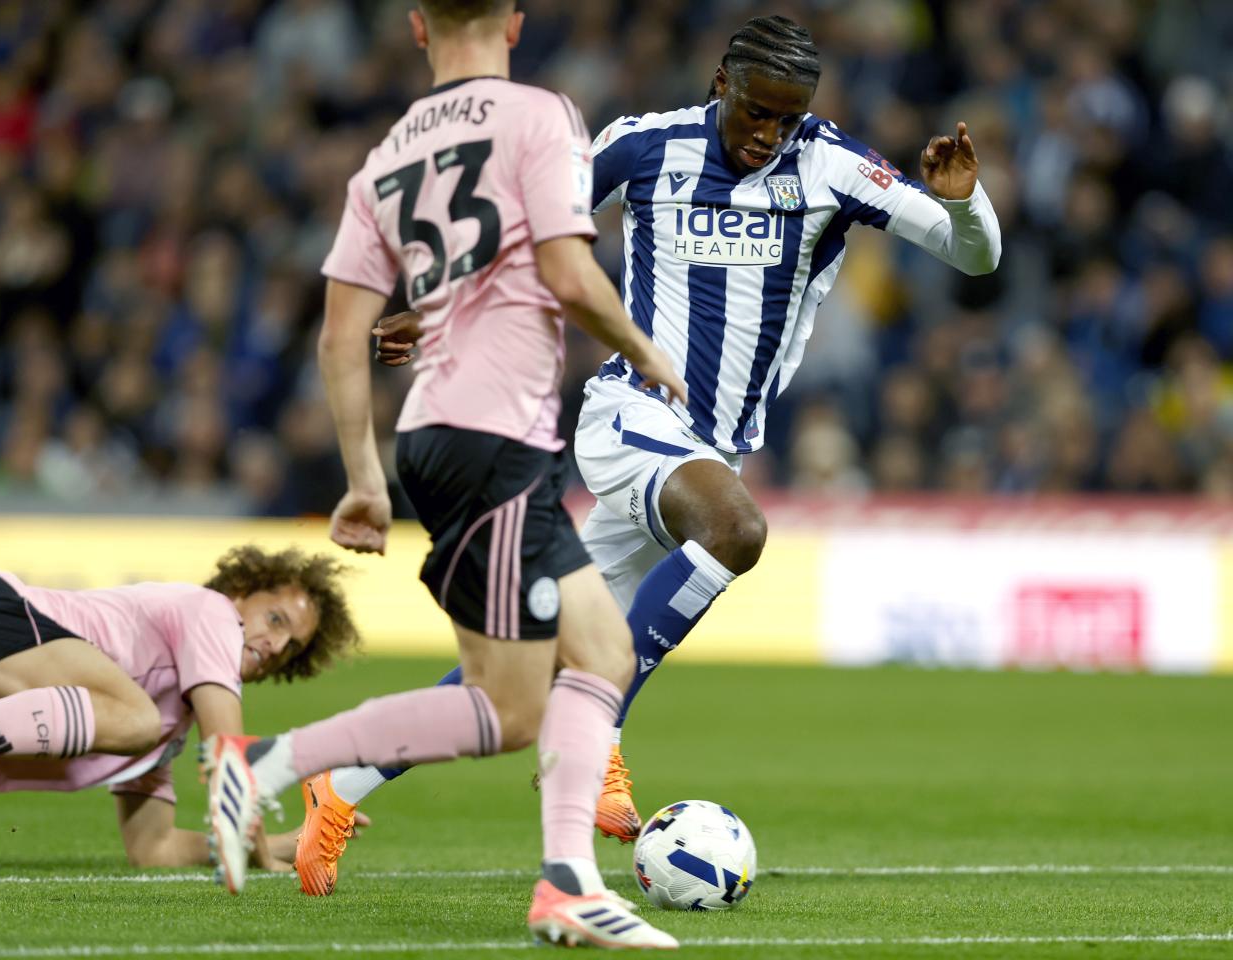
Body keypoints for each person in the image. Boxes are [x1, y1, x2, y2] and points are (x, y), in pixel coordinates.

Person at [299, 10, 1004, 885]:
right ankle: (597, 733)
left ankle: (339, 783)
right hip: (631, 419)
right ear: (722, 84)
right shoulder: (644, 145)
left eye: (786, 118)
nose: (768, 134)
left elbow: (974, 257)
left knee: (523, 664)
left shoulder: (831, 165)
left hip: (707, 453)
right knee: (736, 530)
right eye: (756, 112)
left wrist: (964, 200)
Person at [200, 0, 686, 949]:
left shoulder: (387, 157)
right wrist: (642, 349)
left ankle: (566, 885)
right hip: (493, 436)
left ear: (418, 28)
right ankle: (265, 763)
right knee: (507, 708)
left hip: (441, 434)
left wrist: (364, 477)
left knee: (601, 653)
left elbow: (342, 334)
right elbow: (568, 273)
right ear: (515, 22)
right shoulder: (542, 115)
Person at [0, 545, 360, 871]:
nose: (276, 645)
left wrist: (287, 843)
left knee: (138, 721)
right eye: (275, 619)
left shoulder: (167, 726)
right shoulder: (213, 612)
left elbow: (154, 849)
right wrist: (262, 857)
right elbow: (227, 757)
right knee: (137, 719)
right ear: (240, 591)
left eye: (292, 648)